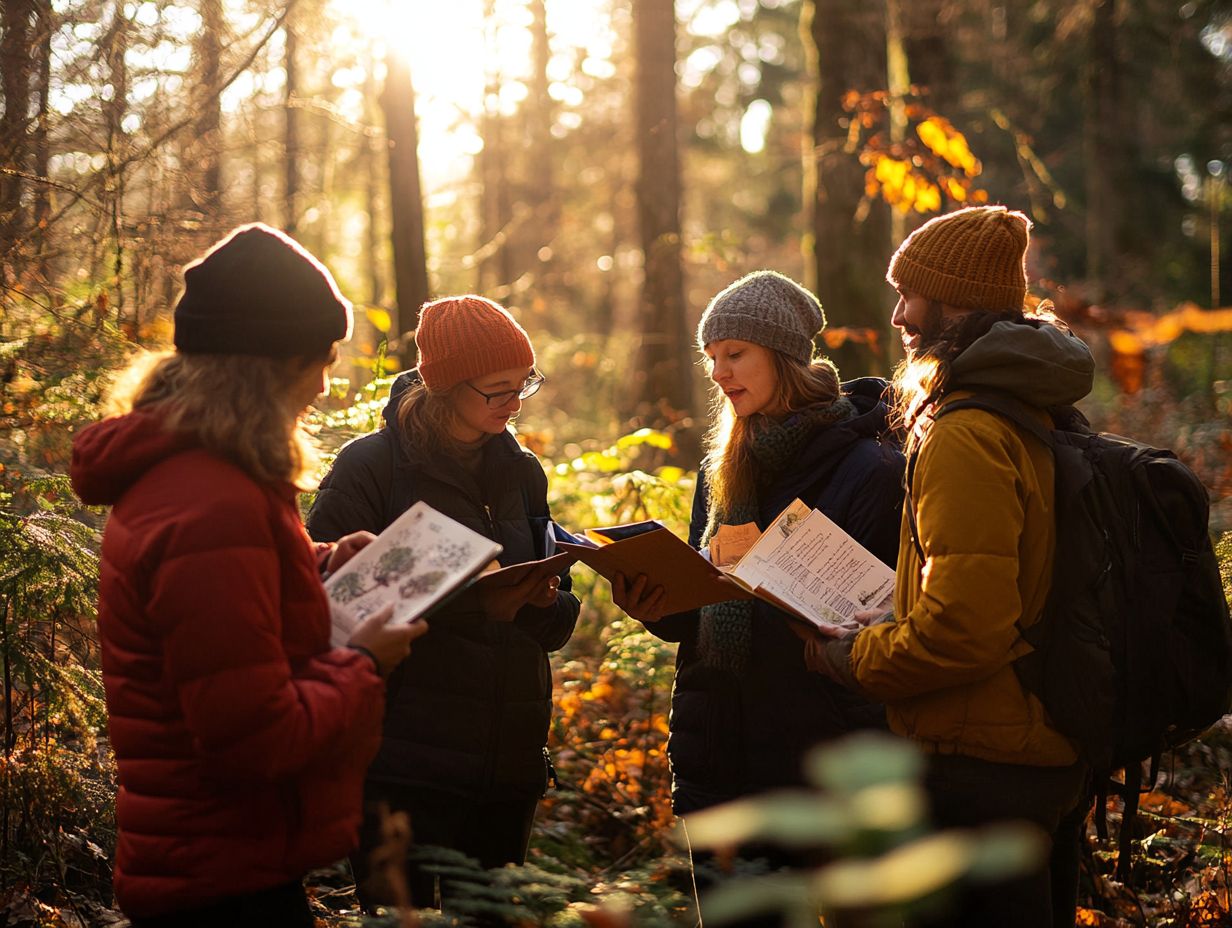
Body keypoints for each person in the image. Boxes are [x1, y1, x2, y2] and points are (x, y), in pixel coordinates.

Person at [69, 223, 425, 928]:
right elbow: (251, 737)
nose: (325, 386)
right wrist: (361, 661)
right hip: (221, 884)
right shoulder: (212, 502)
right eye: (319, 361)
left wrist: (319, 564)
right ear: (269, 366)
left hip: (222, 860)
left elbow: (228, 613)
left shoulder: (207, 475)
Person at [806, 206, 1096, 928]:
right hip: (1036, 742)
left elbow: (966, 630)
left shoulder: (967, 430)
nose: (899, 312)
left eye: (911, 295)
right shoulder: (1034, 405)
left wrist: (853, 658)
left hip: (983, 763)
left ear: (955, 300)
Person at [613, 270, 904, 921]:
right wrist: (655, 602)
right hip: (715, 749)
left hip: (818, 762)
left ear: (785, 356)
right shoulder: (722, 466)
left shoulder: (870, 466)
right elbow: (702, 610)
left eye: (735, 354)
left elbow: (882, 624)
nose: (718, 373)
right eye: (711, 358)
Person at [305, 295, 581, 909]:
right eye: (496, 390)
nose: (514, 404)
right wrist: (474, 605)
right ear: (445, 386)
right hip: (401, 760)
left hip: (506, 764)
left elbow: (558, 620)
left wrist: (542, 601)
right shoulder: (371, 470)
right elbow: (324, 611)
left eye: (523, 386)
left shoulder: (521, 470)